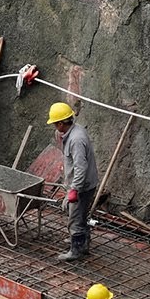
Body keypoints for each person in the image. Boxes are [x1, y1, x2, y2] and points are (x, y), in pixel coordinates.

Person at [48, 102, 100, 261]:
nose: (55, 127)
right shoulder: (75, 132)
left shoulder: (76, 139)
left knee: (75, 219)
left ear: (61, 123)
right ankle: (83, 242)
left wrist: (74, 189)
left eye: (55, 124)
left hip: (82, 187)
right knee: (81, 215)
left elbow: (80, 167)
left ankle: (76, 250)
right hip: (86, 184)